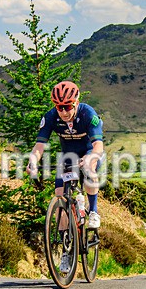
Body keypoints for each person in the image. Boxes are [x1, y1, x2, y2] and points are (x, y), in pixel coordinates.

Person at [26, 81, 104, 271]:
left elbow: (98, 146)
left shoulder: (88, 114)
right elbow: (39, 146)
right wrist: (33, 161)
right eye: (59, 107)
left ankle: (92, 211)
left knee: (90, 167)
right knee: (60, 198)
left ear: (76, 102)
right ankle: (67, 252)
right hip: (67, 158)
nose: (63, 111)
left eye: (67, 106)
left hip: (88, 151)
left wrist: (90, 158)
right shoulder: (51, 117)